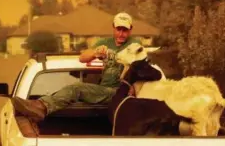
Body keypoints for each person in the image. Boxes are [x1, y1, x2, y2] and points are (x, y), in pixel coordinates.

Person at [12, 12, 141, 122]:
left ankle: (41, 107)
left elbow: (142, 70)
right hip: (103, 91)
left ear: (131, 30)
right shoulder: (105, 43)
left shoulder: (135, 45)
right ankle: (39, 105)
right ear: (113, 28)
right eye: (118, 29)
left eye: (125, 30)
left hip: (122, 92)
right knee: (76, 90)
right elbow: (82, 58)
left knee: (77, 88)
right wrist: (96, 53)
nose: (121, 33)